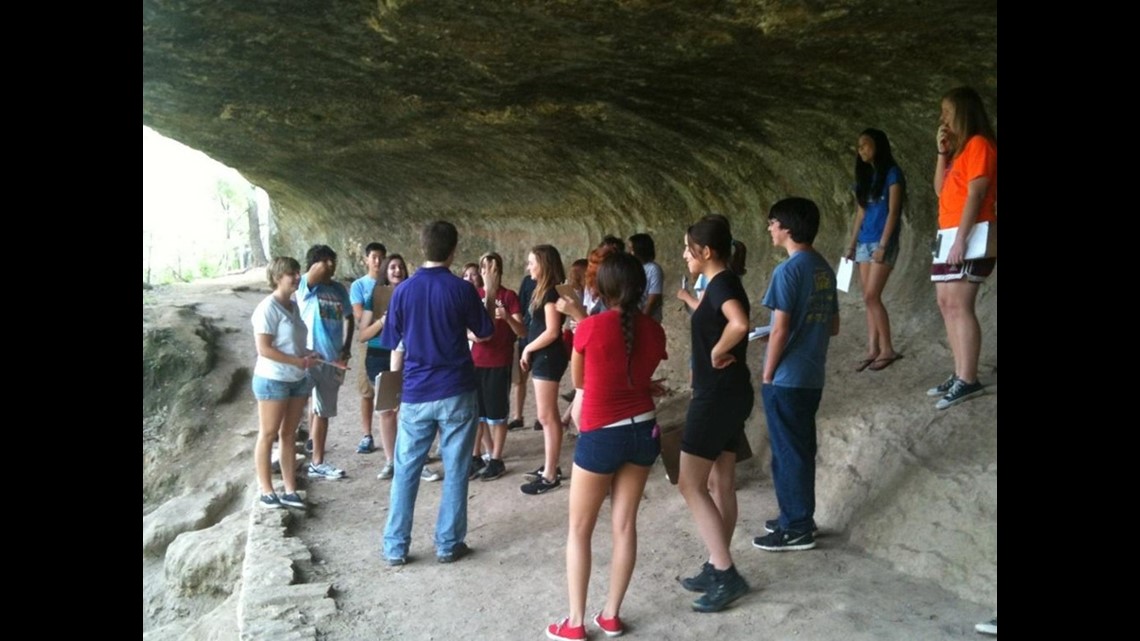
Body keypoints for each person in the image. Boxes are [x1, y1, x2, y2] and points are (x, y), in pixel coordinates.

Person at [545, 253, 668, 641]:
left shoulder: (590, 328)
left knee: (580, 530)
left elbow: (584, 383)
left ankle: (576, 622)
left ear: (601, 288)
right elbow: (637, 375)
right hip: (643, 429)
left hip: (602, 433)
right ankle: (612, 616)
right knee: (625, 525)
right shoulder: (654, 329)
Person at [379, 221, 497, 565]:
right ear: (453, 250)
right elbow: (485, 334)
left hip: (416, 391)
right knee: (457, 468)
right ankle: (448, 543)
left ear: (422, 248)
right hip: (457, 388)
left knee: (406, 469)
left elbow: (393, 342)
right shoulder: (461, 290)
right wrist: (488, 293)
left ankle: (395, 546)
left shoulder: (403, 291)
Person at [752, 197, 840, 552]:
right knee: (798, 448)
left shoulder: (787, 271)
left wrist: (768, 372)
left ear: (787, 228)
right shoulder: (822, 267)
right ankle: (795, 514)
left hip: (787, 376)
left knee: (788, 451)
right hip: (811, 371)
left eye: (773, 223)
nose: (770, 229)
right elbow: (832, 325)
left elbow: (780, 329)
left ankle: (797, 527)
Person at [676, 217, 752, 613]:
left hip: (717, 397)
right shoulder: (721, 283)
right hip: (729, 394)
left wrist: (717, 351)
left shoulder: (722, 284)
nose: (685, 255)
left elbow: (739, 324)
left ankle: (725, 572)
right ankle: (716, 562)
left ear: (706, 252)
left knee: (690, 484)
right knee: (722, 483)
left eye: (689, 249)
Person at [930, 86, 997, 410]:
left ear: (963, 112)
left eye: (947, 111)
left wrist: (961, 240)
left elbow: (977, 195)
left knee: (959, 305)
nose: (942, 118)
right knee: (945, 302)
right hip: (949, 234)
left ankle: (968, 379)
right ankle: (959, 372)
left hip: (969, 235)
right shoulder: (959, 151)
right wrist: (942, 152)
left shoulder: (980, 145)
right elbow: (940, 190)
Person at [359, 254, 437, 481]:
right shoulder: (375, 295)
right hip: (379, 355)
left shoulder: (414, 293)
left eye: (401, 267)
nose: (397, 270)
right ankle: (391, 461)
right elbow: (363, 334)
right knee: (386, 410)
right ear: (385, 270)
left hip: (409, 355)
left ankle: (416, 461)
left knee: (409, 411)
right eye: (392, 267)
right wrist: (384, 321)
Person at [251, 257, 317, 509]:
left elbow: (295, 343)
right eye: (292, 273)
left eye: (298, 273)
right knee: (268, 434)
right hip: (273, 379)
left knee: (288, 434)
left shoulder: (293, 306)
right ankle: (266, 490)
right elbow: (264, 349)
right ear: (278, 277)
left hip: (296, 379)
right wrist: (296, 361)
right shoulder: (267, 309)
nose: (297, 277)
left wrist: (309, 354)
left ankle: (290, 489)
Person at [846, 129, 904, 372]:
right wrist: (851, 245)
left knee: (872, 295)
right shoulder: (865, 178)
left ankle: (887, 348)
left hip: (882, 242)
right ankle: (873, 349)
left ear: (878, 146)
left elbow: (893, 211)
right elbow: (860, 213)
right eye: (859, 147)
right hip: (864, 242)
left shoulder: (892, 173)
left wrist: (882, 244)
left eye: (865, 145)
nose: (861, 150)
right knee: (867, 297)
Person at [297, 245, 355, 480]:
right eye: (326, 261)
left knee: (323, 411)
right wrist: (320, 263)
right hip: (309, 357)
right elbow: (315, 271)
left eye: (334, 260)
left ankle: (317, 462)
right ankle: (288, 455)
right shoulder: (306, 286)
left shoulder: (339, 289)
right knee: (294, 407)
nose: (331, 265)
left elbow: (350, 317)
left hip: (331, 359)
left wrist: (347, 348)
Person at [468, 252, 525, 481]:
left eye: (491, 268)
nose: (487, 272)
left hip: (498, 361)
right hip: (476, 360)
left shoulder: (508, 296)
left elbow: (522, 331)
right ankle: (476, 456)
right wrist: (471, 335)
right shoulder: (475, 295)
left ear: (499, 271)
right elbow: (464, 325)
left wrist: (507, 318)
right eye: (484, 268)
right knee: (476, 414)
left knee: (497, 414)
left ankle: (496, 459)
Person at [519, 244, 568, 495]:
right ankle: (551, 467)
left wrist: (528, 349)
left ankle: (551, 474)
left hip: (548, 355)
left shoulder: (549, 292)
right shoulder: (543, 290)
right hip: (545, 354)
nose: (529, 267)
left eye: (532, 262)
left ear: (544, 265)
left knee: (547, 416)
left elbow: (552, 331)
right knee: (547, 416)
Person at [349, 242, 387, 454]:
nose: (377, 261)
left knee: (393, 392)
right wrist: (381, 320)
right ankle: (367, 435)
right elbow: (357, 313)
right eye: (374, 257)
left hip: (390, 342)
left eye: (381, 257)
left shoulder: (389, 285)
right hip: (368, 342)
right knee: (366, 390)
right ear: (366, 259)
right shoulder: (359, 286)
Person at [508, 273, 537, 430]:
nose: (529, 268)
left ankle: (541, 417)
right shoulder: (527, 280)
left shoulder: (554, 281)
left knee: (542, 379)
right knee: (520, 378)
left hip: (542, 334)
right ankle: (518, 416)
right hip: (526, 333)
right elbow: (521, 304)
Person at [628, 233, 664, 323]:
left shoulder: (653, 269)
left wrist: (642, 320)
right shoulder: (634, 267)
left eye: (632, 249)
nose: (629, 252)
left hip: (648, 318)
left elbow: (653, 298)